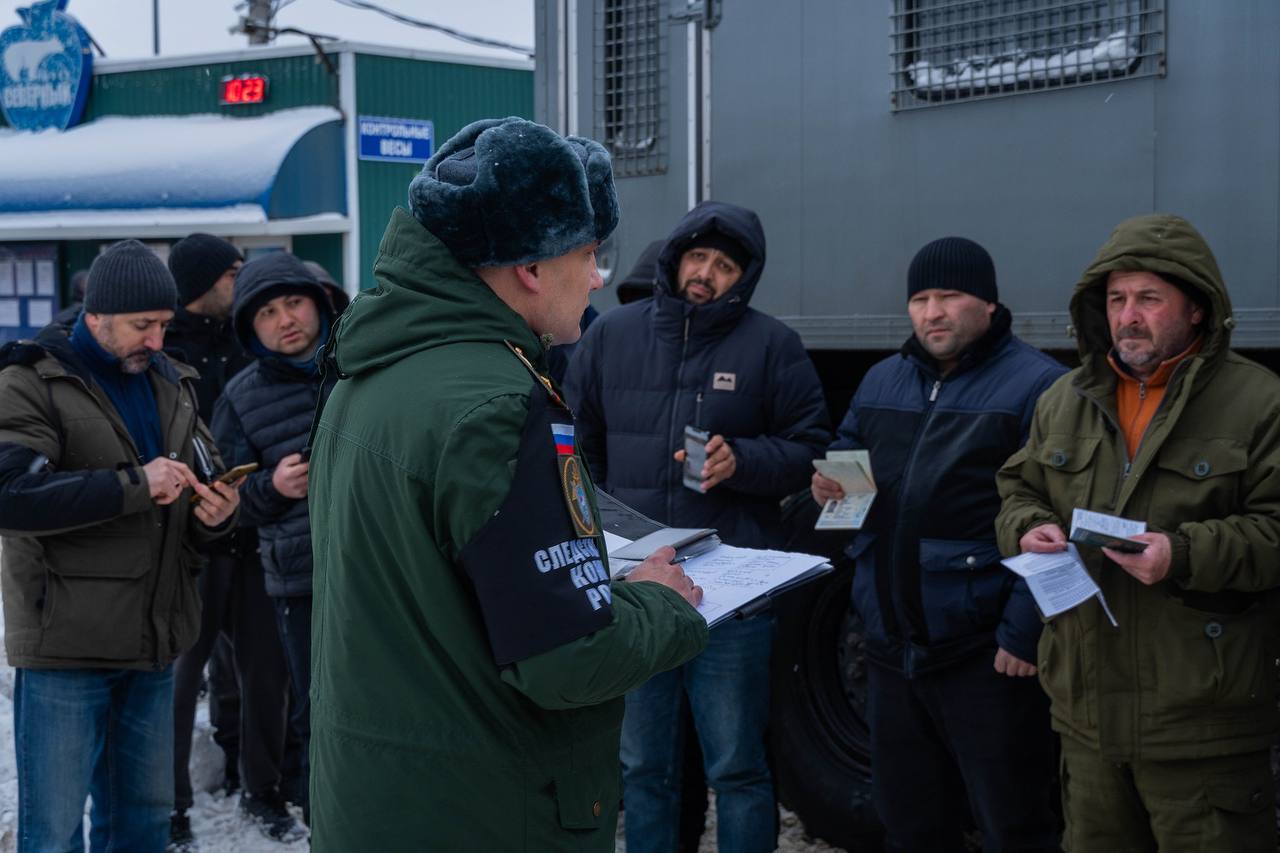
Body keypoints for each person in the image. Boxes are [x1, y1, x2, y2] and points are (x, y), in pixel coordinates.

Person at [306, 116, 709, 852]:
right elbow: (568, 657)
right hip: (487, 810)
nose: (595, 277)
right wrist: (663, 603)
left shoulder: (367, 374)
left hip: (381, 800)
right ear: (530, 266)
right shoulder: (497, 402)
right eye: (588, 254)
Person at [996, 213, 1280, 852]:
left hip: (1202, 725)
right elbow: (1018, 488)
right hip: (1087, 720)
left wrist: (1181, 554)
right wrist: (1030, 527)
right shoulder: (1063, 398)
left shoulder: (1260, 402)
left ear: (1197, 309)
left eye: (1149, 299)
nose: (1128, 315)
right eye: (1117, 299)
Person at [565, 200, 831, 853]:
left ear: (745, 277)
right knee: (643, 769)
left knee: (737, 768)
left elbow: (811, 452)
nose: (707, 273)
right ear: (676, 257)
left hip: (732, 599)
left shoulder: (773, 345)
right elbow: (575, 444)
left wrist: (742, 460)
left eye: (725, 265)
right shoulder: (612, 336)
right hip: (640, 592)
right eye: (699, 257)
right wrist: (606, 532)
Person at [811, 237, 1065, 851]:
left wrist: (1023, 632)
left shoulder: (1041, 388)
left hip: (985, 658)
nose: (933, 312)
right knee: (912, 825)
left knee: (1017, 825)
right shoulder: (881, 381)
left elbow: (1061, 521)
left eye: (949, 296)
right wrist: (829, 490)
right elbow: (853, 490)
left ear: (988, 302)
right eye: (921, 299)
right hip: (892, 653)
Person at [0, 239, 241, 852]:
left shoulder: (172, 381)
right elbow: (11, 497)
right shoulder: (30, 380)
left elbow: (197, 486)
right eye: (142, 326)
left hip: (153, 644)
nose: (157, 340)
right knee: (53, 834)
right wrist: (136, 484)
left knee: (141, 823)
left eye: (163, 324)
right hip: (66, 647)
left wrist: (216, 514)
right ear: (96, 314)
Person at [164, 233, 292, 850]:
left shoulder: (247, 338)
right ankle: (173, 803)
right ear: (201, 282)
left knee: (265, 672)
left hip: (255, 530)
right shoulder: (162, 347)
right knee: (183, 676)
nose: (240, 282)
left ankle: (262, 789)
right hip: (189, 540)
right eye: (231, 272)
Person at [212, 252, 334, 841]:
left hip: (378, 567)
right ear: (249, 327)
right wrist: (271, 486)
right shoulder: (240, 396)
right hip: (300, 577)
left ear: (317, 303)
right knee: (312, 707)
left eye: (293, 302)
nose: (285, 319)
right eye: (266, 312)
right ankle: (321, 820)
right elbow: (227, 500)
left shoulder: (359, 366)